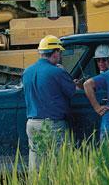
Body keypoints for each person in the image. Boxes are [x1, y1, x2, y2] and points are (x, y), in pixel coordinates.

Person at [23, 35, 76, 170]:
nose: (60, 55)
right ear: (55, 52)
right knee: (59, 165)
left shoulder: (27, 71)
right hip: (53, 125)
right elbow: (72, 92)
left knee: (36, 165)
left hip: (32, 124)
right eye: (60, 52)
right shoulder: (57, 72)